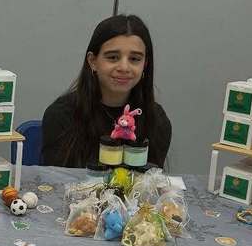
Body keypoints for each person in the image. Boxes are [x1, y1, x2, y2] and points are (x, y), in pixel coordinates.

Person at [42, 14, 171, 168]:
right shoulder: (61, 115)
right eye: (113, 57)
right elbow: (57, 183)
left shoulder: (156, 119)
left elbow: (150, 182)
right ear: (93, 61)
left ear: (145, 64)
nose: (124, 67)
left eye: (134, 59)